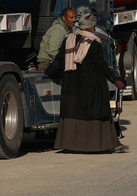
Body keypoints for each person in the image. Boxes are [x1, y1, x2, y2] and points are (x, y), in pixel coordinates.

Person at [45, 12, 128, 153]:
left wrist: (46, 73)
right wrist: (116, 80)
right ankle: (102, 144)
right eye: (94, 27)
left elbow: (58, 61)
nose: (94, 29)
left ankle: (73, 145)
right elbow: (101, 65)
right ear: (90, 28)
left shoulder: (69, 40)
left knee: (74, 113)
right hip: (91, 88)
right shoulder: (93, 44)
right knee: (97, 113)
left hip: (72, 88)